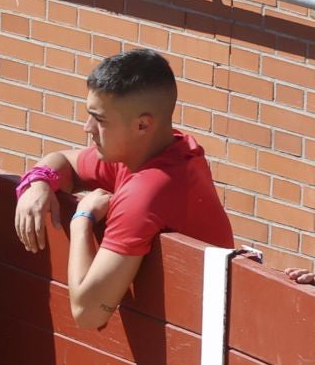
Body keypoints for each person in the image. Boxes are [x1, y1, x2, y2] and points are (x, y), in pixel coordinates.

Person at [13, 48, 234, 330]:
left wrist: (82, 220)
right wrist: (39, 181)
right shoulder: (151, 151)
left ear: (143, 125)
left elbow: (88, 314)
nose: (87, 128)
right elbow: (65, 161)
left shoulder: (146, 193)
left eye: (100, 120)